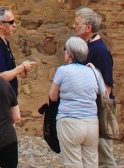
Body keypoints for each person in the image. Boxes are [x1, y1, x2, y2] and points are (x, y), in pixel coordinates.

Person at [49, 36, 104, 168]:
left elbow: (53, 96)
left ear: (69, 54)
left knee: (72, 163)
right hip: (91, 123)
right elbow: (104, 94)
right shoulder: (94, 72)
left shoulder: (63, 71)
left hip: (70, 122)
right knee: (91, 163)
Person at [73, 7, 117, 168]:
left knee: (105, 156)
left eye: (77, 23)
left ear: (88, 28)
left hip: (100, 110)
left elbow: (106, 88)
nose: (74, 26)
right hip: (90, 109)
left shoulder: (100, 51)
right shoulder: (87, 47)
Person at [0, 7, 36, 96]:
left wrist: (21, 69)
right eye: (11, 22)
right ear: (0, 24)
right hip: (1, 99)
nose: (14, 25)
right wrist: (21, 67)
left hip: (8, 97)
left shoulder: (4, 42)